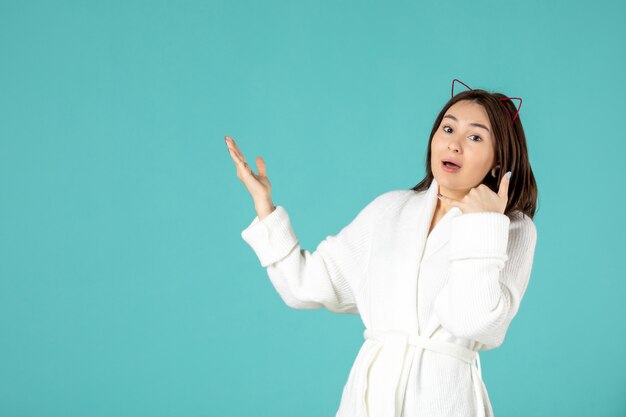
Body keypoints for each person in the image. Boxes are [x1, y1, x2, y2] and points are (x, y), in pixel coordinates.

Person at [224, 79, 538, 417]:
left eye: (475, 136)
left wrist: (482, 226)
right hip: (368, 399)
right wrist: (264, 207)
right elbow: (306, 285)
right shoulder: (390, 210)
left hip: (444, 400)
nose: (455, 144)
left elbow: (472, 322)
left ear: (497, 160)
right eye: (448, 129)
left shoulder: (511, 229)